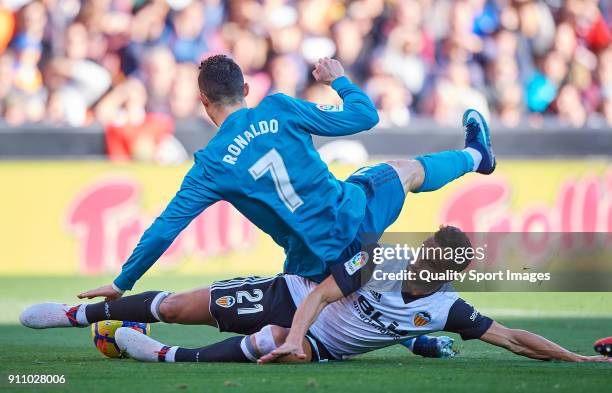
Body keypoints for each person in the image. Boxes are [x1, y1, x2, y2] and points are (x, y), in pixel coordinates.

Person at [76, 54, 495, 303]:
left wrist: (121, 281)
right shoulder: (279, 107)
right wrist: (338, 80)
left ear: (203, 100)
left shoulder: (210, 164)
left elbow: (165, 229)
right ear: (245, 87)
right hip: (354, 211)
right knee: (407, 171)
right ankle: (477, 155)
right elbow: (366, 115)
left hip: (311, 258)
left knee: (322, 307)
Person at [20, 227, 609, 363]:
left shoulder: (447, 305)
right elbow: (321, 297)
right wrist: (298, 335)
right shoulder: (382, 258)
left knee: (272, 342)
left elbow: (512, 338)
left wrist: (574, 357)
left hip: (322, 346)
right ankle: (79, 313)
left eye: (440, 265)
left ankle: (163, 356)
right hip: (293, 296)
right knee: (176, 307)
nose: (427, 267)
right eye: (428, 256)